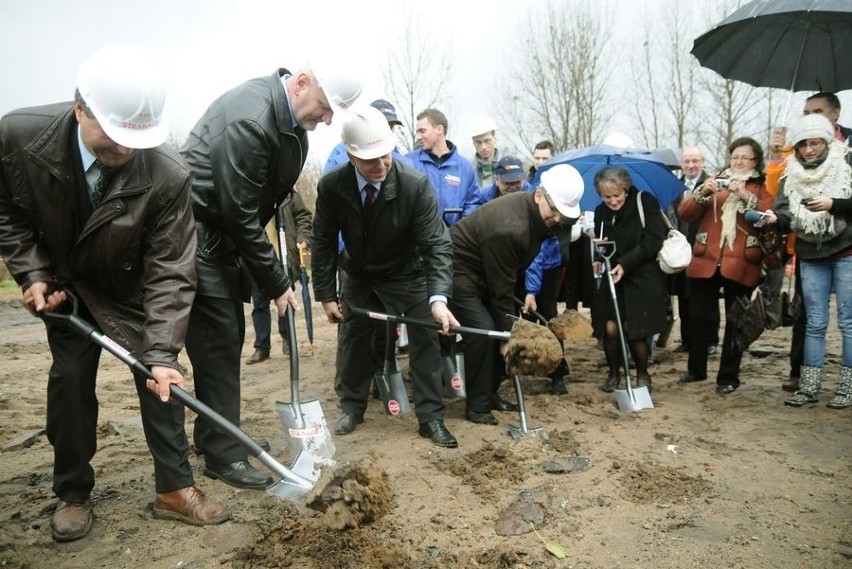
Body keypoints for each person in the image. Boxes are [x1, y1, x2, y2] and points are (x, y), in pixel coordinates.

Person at [0, 44, 230, 542]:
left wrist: (165, 348)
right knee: (70, 382)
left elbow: (171, 267)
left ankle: (173, 489)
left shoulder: (169, 173)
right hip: (63, 283)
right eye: (113, 132)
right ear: (80, 107)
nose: (125, 147)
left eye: (136, 136)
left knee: (162, 375)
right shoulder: (19, 135)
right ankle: (73, 493)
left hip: (131, 288)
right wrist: (32, 273)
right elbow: (7, 211)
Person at [180, 63, 362, 489]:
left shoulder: (289, 123)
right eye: (324, 108)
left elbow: (268, 198)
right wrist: (278, 282)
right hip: (193, 237)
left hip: (220, 236)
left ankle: (217, 434)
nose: (328, 120)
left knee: (221, 341)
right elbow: (238, 212)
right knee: (220, 340)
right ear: (301, 83)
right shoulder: (251, 119)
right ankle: (223, 455)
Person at [312, 104, 461, 448]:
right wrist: (325, 293)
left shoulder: (415, 185)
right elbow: (321, 242)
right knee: (353, 337)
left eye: (385, 156)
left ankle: (431, 418)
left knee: (425, 335)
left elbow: (437, 245)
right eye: (369, 160)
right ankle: (352, 407)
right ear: (350, 156)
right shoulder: (332, 187)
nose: (380, 166)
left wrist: (438, 299)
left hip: (407, 273)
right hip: (360, 274)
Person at [449, 164, 584, 425]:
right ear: (538, 196)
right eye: (554, 210)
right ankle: (477, 406)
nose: (557, 218)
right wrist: (505, 334)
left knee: (504, 329)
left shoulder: (534, 217)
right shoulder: (511, 228)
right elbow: (500, 289)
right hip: (457, 272)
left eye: (562, 215)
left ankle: (489, 394)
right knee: (485, 331)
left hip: (486, 274)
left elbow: (507, 278)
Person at [765, 114, 852, 409]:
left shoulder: (845, 164)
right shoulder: (790, 175)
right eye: (803, 144)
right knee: (814, 323)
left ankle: (846, 387)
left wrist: (833, 205)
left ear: (826, 141)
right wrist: (777, 219)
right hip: (810, 254)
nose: (809, 150)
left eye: (814, 143)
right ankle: (809, 385)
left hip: (845, 251)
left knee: (848, 323)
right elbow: (784, 212)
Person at [678, 137, 773, 394]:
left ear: (756, 161)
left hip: (742, 260)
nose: (739, 161)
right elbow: (685, 213)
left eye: (746, 157)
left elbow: (768, 217)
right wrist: (703, 192)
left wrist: (745, 196)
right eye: (735, 157)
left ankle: (728, 377)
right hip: (706, 258)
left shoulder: (761, 186)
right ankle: (695, 370)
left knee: (736, 321)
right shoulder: (716, 180)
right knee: (697, 317)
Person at [591, 167, 669, 393]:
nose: (613, 201)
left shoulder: (645, 202)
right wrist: (599, 255)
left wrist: (625, 264)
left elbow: (653, 240)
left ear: (626, 189)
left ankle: (643, 375)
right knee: (610, 328)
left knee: (633, 327)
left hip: (641, 274)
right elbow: (604, 241)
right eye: (607, 197)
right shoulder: (600, 212)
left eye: (617, 195)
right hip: (612, 276)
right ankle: (614, 373)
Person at [245, 192, 313, 365]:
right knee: (259, 303)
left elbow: (304, 216)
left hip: (285, 258)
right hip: (258, 259)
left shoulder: (289, 193)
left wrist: (303, 238)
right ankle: (262, 347)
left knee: (286, 300)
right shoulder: (248, 192)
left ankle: (288, 339)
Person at [670, 147, 719, 355]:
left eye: (695, 161)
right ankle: (687, 339)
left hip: (704, 246)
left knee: (707, 296)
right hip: (681, 248)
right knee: (683, 295)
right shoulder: (675, 186)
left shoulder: (712, 184)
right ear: (682, 164)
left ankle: (710, 340)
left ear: (702, 162)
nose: (691, 166)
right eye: (687, 162)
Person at [407, 108, 480, 225]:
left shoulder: (465, 167)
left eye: (422, 131)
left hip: (456, 238)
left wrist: (461, 230)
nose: (418, 137)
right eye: (417, 132)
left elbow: (472, 203)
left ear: (439, 129)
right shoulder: (409, 162)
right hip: (420, 239)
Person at [469, 114, 500, 187]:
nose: (483, 147)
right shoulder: (467, 171)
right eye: (478, 142)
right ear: (473, 143)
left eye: (487, 141)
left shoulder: (506, 168)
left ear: (494, 140)